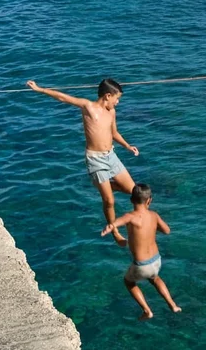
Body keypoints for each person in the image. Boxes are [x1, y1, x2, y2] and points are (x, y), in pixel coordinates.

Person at [26, 78, 138, 246]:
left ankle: (105, 186)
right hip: (96, 159)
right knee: (109, 201)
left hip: (111, 156)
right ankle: (114, 231)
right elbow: (63, 97)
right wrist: (39, 89)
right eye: (117, 98)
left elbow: (114, 133)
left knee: (134, 191)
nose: (118, 102)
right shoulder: (88, 107)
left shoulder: (111, 112)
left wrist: (128, 146)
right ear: (108, 96)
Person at [101, 184, 182, 320]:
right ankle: (172, 305)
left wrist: (111, 226)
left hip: (142, 266)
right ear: (149, 200)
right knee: (155, 278)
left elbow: (120, 221)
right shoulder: (154, 215)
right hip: (156, 261)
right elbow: (167, 231)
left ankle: (147, 311)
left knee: (129, 282)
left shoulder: (131, 216)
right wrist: (153, 227)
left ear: (131, 200)